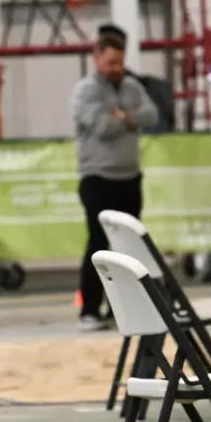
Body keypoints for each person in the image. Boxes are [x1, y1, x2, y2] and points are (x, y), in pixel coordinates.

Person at [72, 25, 158, 332]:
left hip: (129, 178)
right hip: (98, 179)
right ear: (97, 59)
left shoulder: (132, 87)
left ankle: (122, 310)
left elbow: (151, 115)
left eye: (119, 62)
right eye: (110, 62)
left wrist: (124, 116)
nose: (115, 68)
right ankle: (89, 310)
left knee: (130, 249)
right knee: (99, 245)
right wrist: (127, 119)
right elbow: (102, 126)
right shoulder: (86, 91)